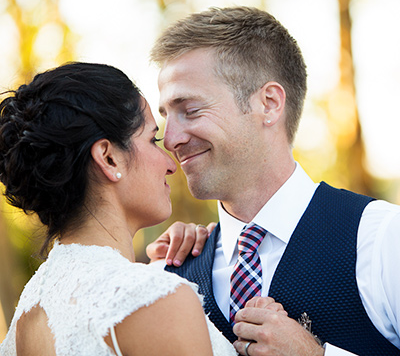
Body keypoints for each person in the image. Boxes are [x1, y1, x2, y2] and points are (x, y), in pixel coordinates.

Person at [147, 6, 400, 356]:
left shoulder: (384, 239)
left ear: (268, 103)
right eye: (165, 117)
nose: (171, 139)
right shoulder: (169, 271)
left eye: (190, 110)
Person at [0, 62, 241, 355]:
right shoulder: (155, 299)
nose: (169, 164)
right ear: (108, 158)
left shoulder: (30, 311)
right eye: (152, 140)